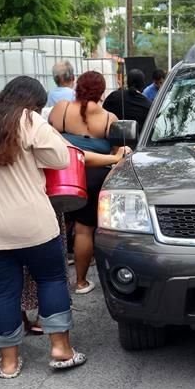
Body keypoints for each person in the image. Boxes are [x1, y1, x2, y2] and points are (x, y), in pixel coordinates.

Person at [0, 76, 86, 378]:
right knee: (51, 279)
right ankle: (61, 349)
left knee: (1, 292)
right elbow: (61, 159)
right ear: (33, 103)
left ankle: (9, 363)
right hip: (32, 224)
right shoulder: (29, 120)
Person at [48, 71, 127, 294]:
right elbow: (116, 152)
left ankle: (52, 282)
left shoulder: (61, 109)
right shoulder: (109, 118)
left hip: (61, 175)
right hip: (94, 178)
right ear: (102, 92)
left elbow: (48, 141)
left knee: (53, 229)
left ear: (77, 86)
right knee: (84, 230)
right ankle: (81, 282)